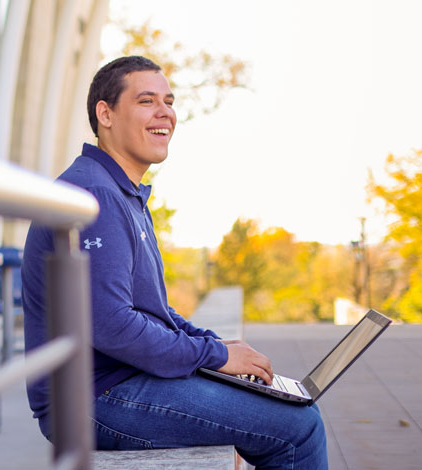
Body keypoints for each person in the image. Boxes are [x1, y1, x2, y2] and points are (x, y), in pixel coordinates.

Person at [21, 56, 328, 469]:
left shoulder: (120, 191)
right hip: (91, 399)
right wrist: (213, 357)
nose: (164, 112)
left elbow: (155, 312)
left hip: (119, 381)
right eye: (146, 101)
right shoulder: (96, 194)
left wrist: (216, 348)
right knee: (298, 427)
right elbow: (112, 325)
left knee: (286, 411)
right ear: (105, 113)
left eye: (168, 101)